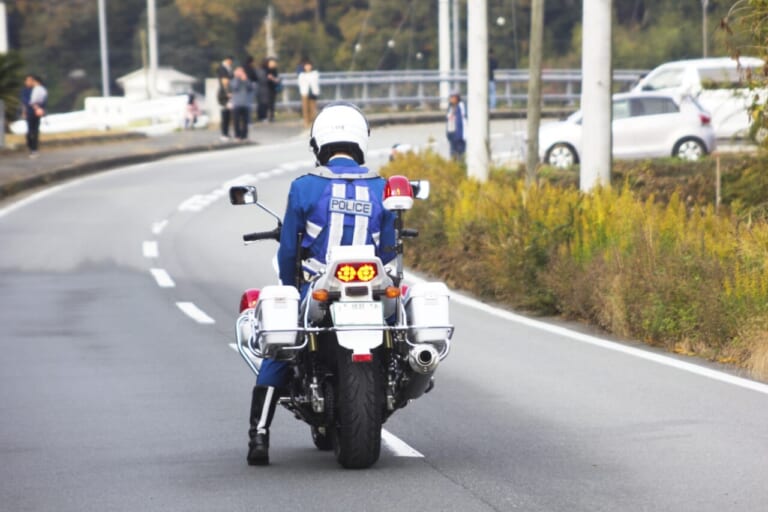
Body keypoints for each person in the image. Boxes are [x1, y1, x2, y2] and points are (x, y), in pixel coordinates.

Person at [246, 102, 397, 466]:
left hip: (319, 286)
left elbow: (288, 250)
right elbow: (390, 249)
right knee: (400, 337)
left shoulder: (305, 187)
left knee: (283, 343)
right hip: (373, 286)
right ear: (360, 141)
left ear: (319, 144)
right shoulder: (382, 186)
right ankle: (394, 378)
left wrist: (288, 285)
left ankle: (259, 434)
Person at [23, 74, 48, 158]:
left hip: (37, 113)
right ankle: (31, 147)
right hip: (30, 112)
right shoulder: (26, 90)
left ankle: (34, 149)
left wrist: (41, 109)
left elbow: (43, 101)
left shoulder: (39, 89)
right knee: (30, 132)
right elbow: (26, 101)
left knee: (35, 131)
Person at [230, 66, 255, 141]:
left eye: (242, 71)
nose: (240, 73)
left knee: (245, 121)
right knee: (236, 121)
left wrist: (246, 80)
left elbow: (250, 88)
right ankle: (237, 136)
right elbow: (234, 87)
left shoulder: (246, 80)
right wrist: (238, 78)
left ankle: (244, 136)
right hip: (236, 104)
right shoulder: (234, 80)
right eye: (239, 71)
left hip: (245, 103)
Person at [297, 60, 320, 129]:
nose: (308, 67)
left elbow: (314, 81)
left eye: (309, 65)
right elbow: (301, 83)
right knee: (305, 108)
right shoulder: (301, 74)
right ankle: (306, 122)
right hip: (305, 93)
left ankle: (312, 122)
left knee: (313, 108)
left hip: (313, 92)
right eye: (306, 66)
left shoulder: (315, 73)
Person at [446, 91, 467, 161]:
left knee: (461, 155)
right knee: (453, 155)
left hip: (460, 136)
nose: (451, 99)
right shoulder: (450, 107)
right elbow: (448, 121)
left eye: (453, 97)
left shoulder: (461, 107)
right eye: (450, 97)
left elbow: (462, 122)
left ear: (457, 98)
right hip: (452, 135)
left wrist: (460, 135)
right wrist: (448, 134)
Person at [217, 56, 234, 140]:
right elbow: (225, 82)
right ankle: (224, 133)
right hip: (223, 97)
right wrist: (227, 93)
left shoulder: (229, 68)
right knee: (225, 116)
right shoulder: (222, 68)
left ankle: (226, 133)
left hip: (228, 95)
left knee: (228, 116)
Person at [265, 57, 282, 122]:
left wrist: (274, 79)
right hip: (267, 88)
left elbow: (276, 78)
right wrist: (273, 79)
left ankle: (272, 116)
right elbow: (268, 78)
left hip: (273, 88)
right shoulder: (266, 70)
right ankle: (268, 117)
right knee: (268, 103)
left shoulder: (275, 70)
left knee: (272, 103)